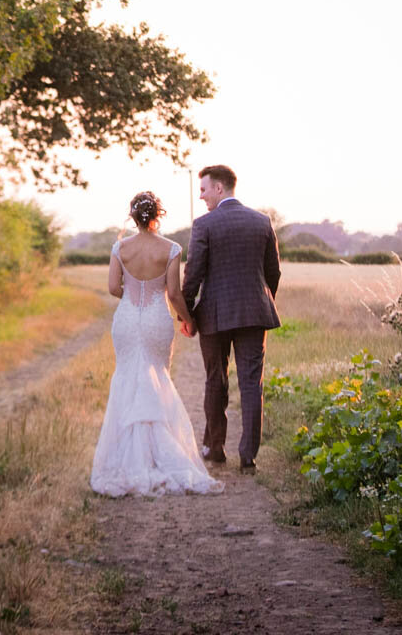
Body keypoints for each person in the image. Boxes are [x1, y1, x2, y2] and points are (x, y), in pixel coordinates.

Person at [90, 191, 224, 497]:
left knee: (127, 378)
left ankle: (130, 457)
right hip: (156, 319)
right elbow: (175, 293)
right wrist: (188, 319)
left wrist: (131, 293)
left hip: (126, 320)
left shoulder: (120, 247)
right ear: (157, 215)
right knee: (157, 379)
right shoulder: (172, 248)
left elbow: (113, 287)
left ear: (133, 216)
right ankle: (156, 454)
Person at [181, 165, 281, 475]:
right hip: (254, 312)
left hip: (214, 314)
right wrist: (260, 300)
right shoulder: (262, 222)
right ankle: (248, 456)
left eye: (204, 189)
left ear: (220, 189)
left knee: (216, 378)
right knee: (252, 384)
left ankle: (216, 447)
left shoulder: (204, 225)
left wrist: (187, 314)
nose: (201, 196)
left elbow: (193, 273)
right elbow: (273, 271)